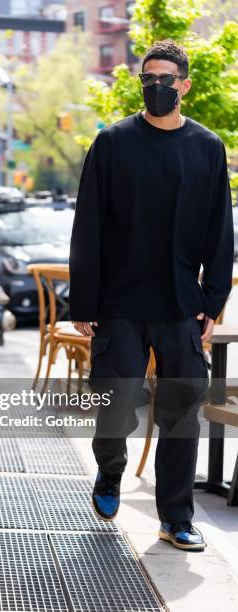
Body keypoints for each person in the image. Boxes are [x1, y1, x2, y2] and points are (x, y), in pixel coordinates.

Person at [69, 40, 234, 552]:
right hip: (118, 303)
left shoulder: (207, 147)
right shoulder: (113, 143)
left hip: (182, 303)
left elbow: (219, 232)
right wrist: (85, 303)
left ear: (184, 84)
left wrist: (213, 297)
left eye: (166, 78)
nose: (156, 86)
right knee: (116, 407)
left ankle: (177, 517)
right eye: (148, 77)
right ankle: (110, 472)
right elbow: (88, 226)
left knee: (181, 412)